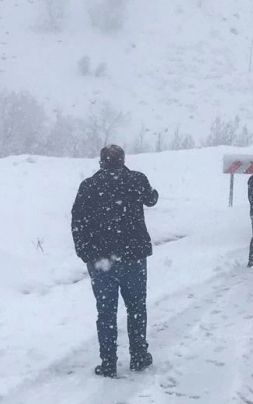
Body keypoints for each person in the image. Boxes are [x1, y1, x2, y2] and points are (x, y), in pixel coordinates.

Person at [71, 145, 159, 378]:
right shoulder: (136, 180)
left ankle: (108, 362)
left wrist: (85, 252)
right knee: (136, 308)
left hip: (101, 261)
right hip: (133, 257)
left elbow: (77, 221)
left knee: (106, 312)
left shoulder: (89, 186)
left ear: (101, 162)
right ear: (122, 160)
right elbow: (151, 199)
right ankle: (139, 356)